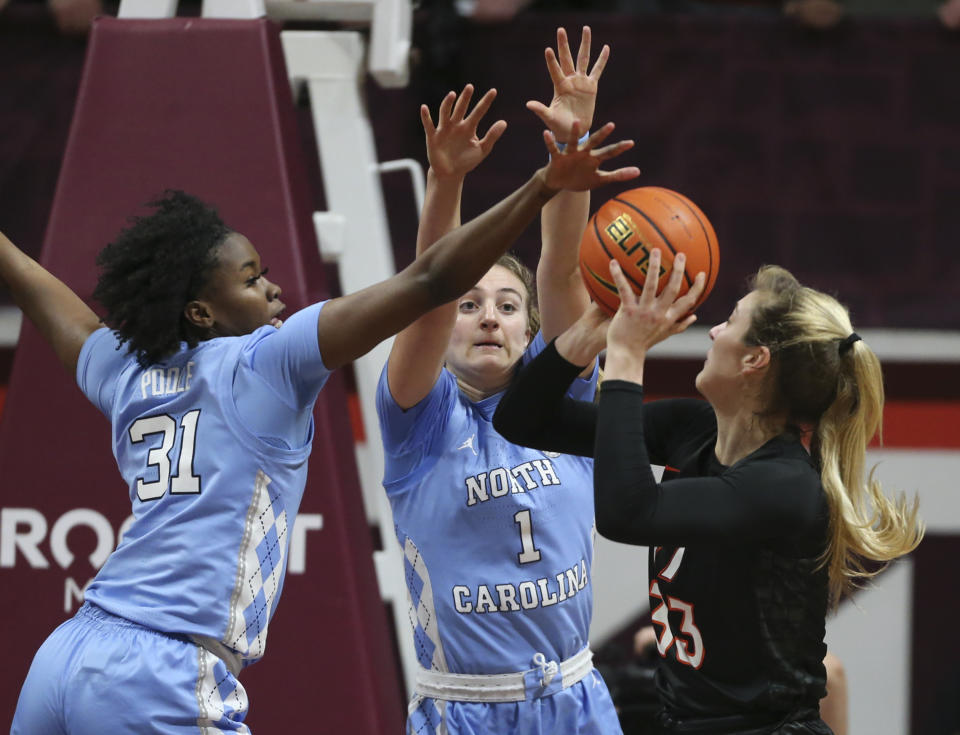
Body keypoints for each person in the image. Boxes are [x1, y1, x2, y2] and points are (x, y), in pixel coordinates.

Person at [2, 106, 638, 733]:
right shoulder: (267, 362)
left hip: (68, 652)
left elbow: (48, 297)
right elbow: (431, 280)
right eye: (253, 281)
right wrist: (540, 183)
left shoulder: (128, 369)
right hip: (161, 669)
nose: (275, 292)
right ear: (200, 311)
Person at [493, 250, 924, 733]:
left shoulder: (784, 486)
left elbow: (626, 514)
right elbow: (520, 419)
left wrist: (627, 354)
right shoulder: (692, 429)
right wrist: (592, 328)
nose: (714, 331)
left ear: (755, 360)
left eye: (731, 321)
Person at [376, 27, 626, 734]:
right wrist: (446, 180)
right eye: (472, 305)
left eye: (508, 307)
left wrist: (570, 149)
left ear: (530, 329)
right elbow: (426, 295)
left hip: (574, 697)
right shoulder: (419, 423)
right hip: (466, 707)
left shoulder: (568, 397)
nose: (488, 317)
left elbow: (562, 268)